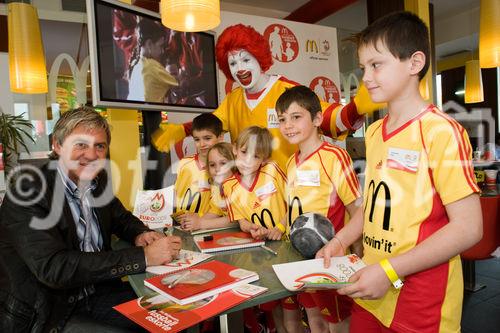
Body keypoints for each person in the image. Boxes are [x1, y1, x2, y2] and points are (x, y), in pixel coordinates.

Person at [316, 11, 482, 333]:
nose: (365, 77)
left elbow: (469, 227)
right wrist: (340, 240)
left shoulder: (441, 132)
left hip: (422, 301)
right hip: (371, 286)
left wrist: (390, 271)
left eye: (376, 65)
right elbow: (374, 208)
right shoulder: (375, 132)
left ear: (414, 63)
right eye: (364, 67)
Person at [0, 107, 182, 332]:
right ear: (57, 146)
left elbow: (120, 217)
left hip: (100, 292)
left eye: (100, 146)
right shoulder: (26, 191)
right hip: (52, 310)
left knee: (176, 314)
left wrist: (140, 233)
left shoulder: (97, 179)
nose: (92, 155)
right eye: (80, 144)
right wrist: (143, 256)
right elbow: (54, 268)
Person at [152, 24, 383, 170]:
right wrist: (181, 131)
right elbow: (210, 125)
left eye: (245, 59)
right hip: (254, 196)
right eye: (232, 62)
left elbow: (327, 117)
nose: (239, 68)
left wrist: (355, 108)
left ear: (259, 58)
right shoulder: (233, 99)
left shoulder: (286, 89)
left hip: (293, 191)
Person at [276, 86, 361, 333]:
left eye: (295, 117)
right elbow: (293, 209)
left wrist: (356, 253)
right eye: (282, 119)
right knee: (314, 320)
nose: (288, 125)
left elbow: (357, 210)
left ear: (316, 118)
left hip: (328, 260)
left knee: (337, 323)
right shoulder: (291, 161)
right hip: (299, 257)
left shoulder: (334, 157)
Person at [178, 142, 236, 231]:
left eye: (223, 163)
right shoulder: (216, 186)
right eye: (212, 165)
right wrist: (192, 222)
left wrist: (201, 223)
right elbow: (215, 212)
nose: (217, 169)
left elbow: (236, 220)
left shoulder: (238, 187)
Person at [174, 113, 223, 217]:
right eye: (197, 139)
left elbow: (221, 209)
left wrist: (199, 222)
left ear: (220, 137)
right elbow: (176, 195)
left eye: (207, 138)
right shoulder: (184, 164)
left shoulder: (225, 169)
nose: (202, 144)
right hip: (181, 225)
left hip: (208, 227)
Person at [127, 19, 178, 102]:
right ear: (149, 44)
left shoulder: (135, 64)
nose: (162, 51)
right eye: (160, 46)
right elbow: (178, 86)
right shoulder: (151, 66)